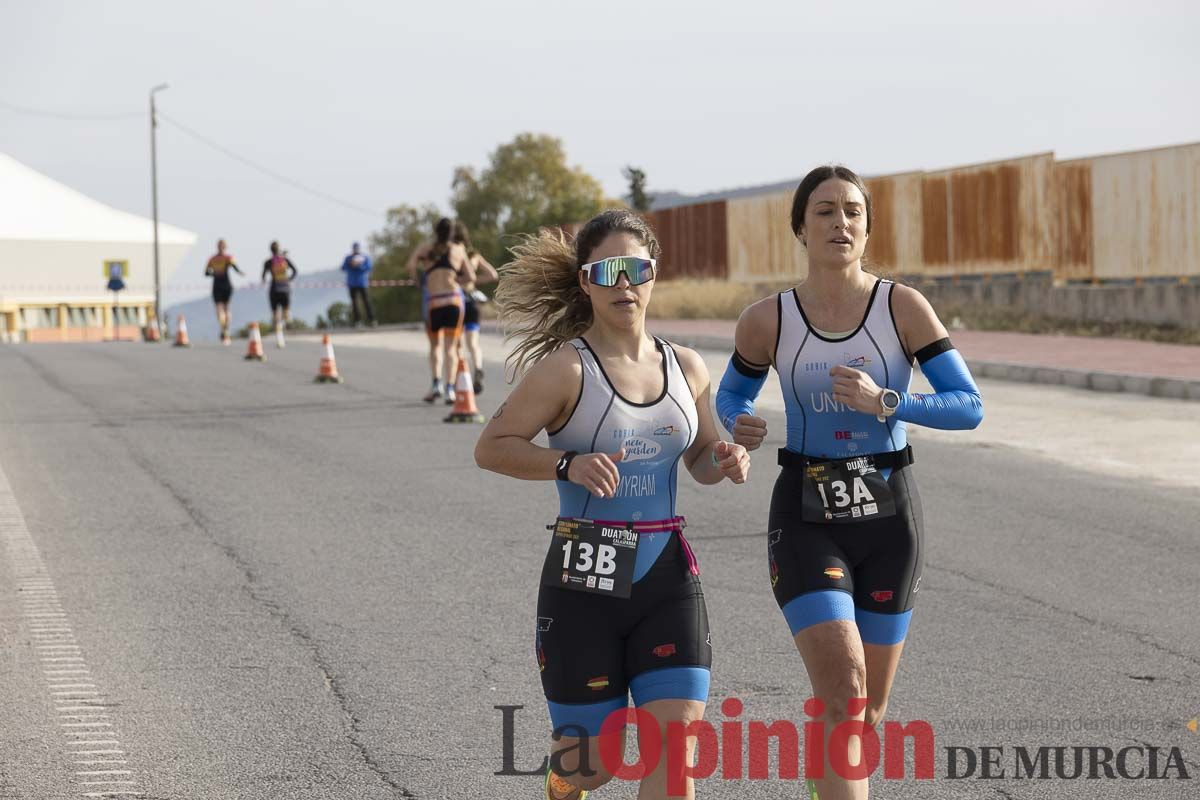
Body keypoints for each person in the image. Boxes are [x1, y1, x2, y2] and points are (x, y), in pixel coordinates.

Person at [716, 165, 983, 800]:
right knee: (844, 693)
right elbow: (729, 395)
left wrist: (887, 400)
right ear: (801, 229)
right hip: (807, 514)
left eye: (854, 212)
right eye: (826, 211)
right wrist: (738, 424)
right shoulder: (767, 320)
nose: (842, 222)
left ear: (867, 228)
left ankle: (825, 783)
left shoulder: (902, 308)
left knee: (868, 714)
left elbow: (968, 405)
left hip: (891, 515)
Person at [475, 209, 751, 800]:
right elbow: (491, 447)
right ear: (586, 282)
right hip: (585, 584)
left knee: (674, 757)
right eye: (607, 271)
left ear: (653, 274)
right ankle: (564, 780)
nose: (624, 284)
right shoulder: (564, 370)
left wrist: (725, 461)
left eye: (636, 269)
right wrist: (565, 464)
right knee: (591, 767)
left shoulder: (688, 367)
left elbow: (702, 458)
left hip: (666, 577)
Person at [407, 218, 471, 404]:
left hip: (434, 302)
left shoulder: (425, 249)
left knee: (435, 346)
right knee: (451, 348)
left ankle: (436, 384)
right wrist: (457, 282)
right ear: (452, 232)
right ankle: (450, 389)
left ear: (435, 231)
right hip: (453, 301)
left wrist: (418, 281)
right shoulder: (459, 250)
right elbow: (471, 276)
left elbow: (410, 266)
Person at [452, 221, 498, 394]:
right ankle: (478, 367)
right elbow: (493, 274)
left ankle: (461, 377)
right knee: (473, 342)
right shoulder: (474, 255)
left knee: (456, 343)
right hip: (472, 301)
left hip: (456, 300)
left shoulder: (452, 255)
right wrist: (473, 281)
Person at [205, 239, 243, 345]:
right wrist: (241, 273)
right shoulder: (228, 258)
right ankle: (226, 329)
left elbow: (206, 273)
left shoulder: (212, 259)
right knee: (227, 309)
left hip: (217, 286)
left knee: (220, 310)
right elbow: (236, 268)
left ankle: (223, 330)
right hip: (227, 285)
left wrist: (215, 273)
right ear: (225, 247)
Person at [261, 241, 297, 348]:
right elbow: (295, 271)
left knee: (276, 314)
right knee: (286, 310)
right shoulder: (285, 260)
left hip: (274, 289)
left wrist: (264, 281)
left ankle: (279, 337)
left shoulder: (269, 261)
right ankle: (288, 322)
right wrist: (289, 279)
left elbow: (263, 275)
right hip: (285, 288)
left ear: (270, 250)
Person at [341, 242, 375, 327]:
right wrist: (350, 264)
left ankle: (372, 320)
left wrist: (359, 265)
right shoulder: (348, 258)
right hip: (352, 284)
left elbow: (369, 267)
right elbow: (343, 268)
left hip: (362, 283)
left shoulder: (364, 257)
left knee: (366, 302)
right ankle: (357, 321)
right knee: (354, 303)